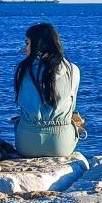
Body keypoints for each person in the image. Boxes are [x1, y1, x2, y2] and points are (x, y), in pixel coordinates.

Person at [13, 23, 81, 157]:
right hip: (60, 146)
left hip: (27, 145)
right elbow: (71, 107)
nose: (24, 49)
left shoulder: (22, 70)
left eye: (27, 43)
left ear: (39, 44)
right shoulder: (73, 70)